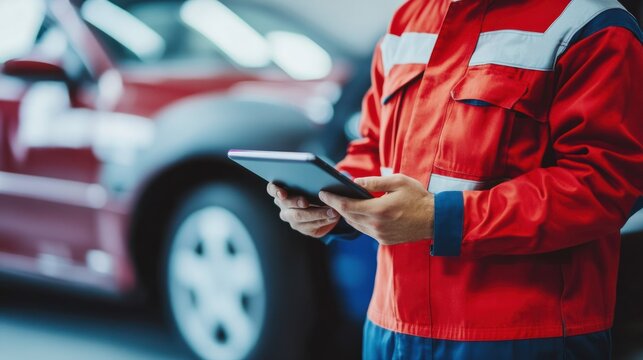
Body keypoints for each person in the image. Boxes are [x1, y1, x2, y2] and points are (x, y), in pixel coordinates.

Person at [267, 0, 643, 358]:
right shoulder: (409, 19)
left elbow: (603, 185)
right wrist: (332, 198)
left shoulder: (590, 25)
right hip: (390, 328)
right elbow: (375, 147)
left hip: (521, 337)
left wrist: (441, 218)